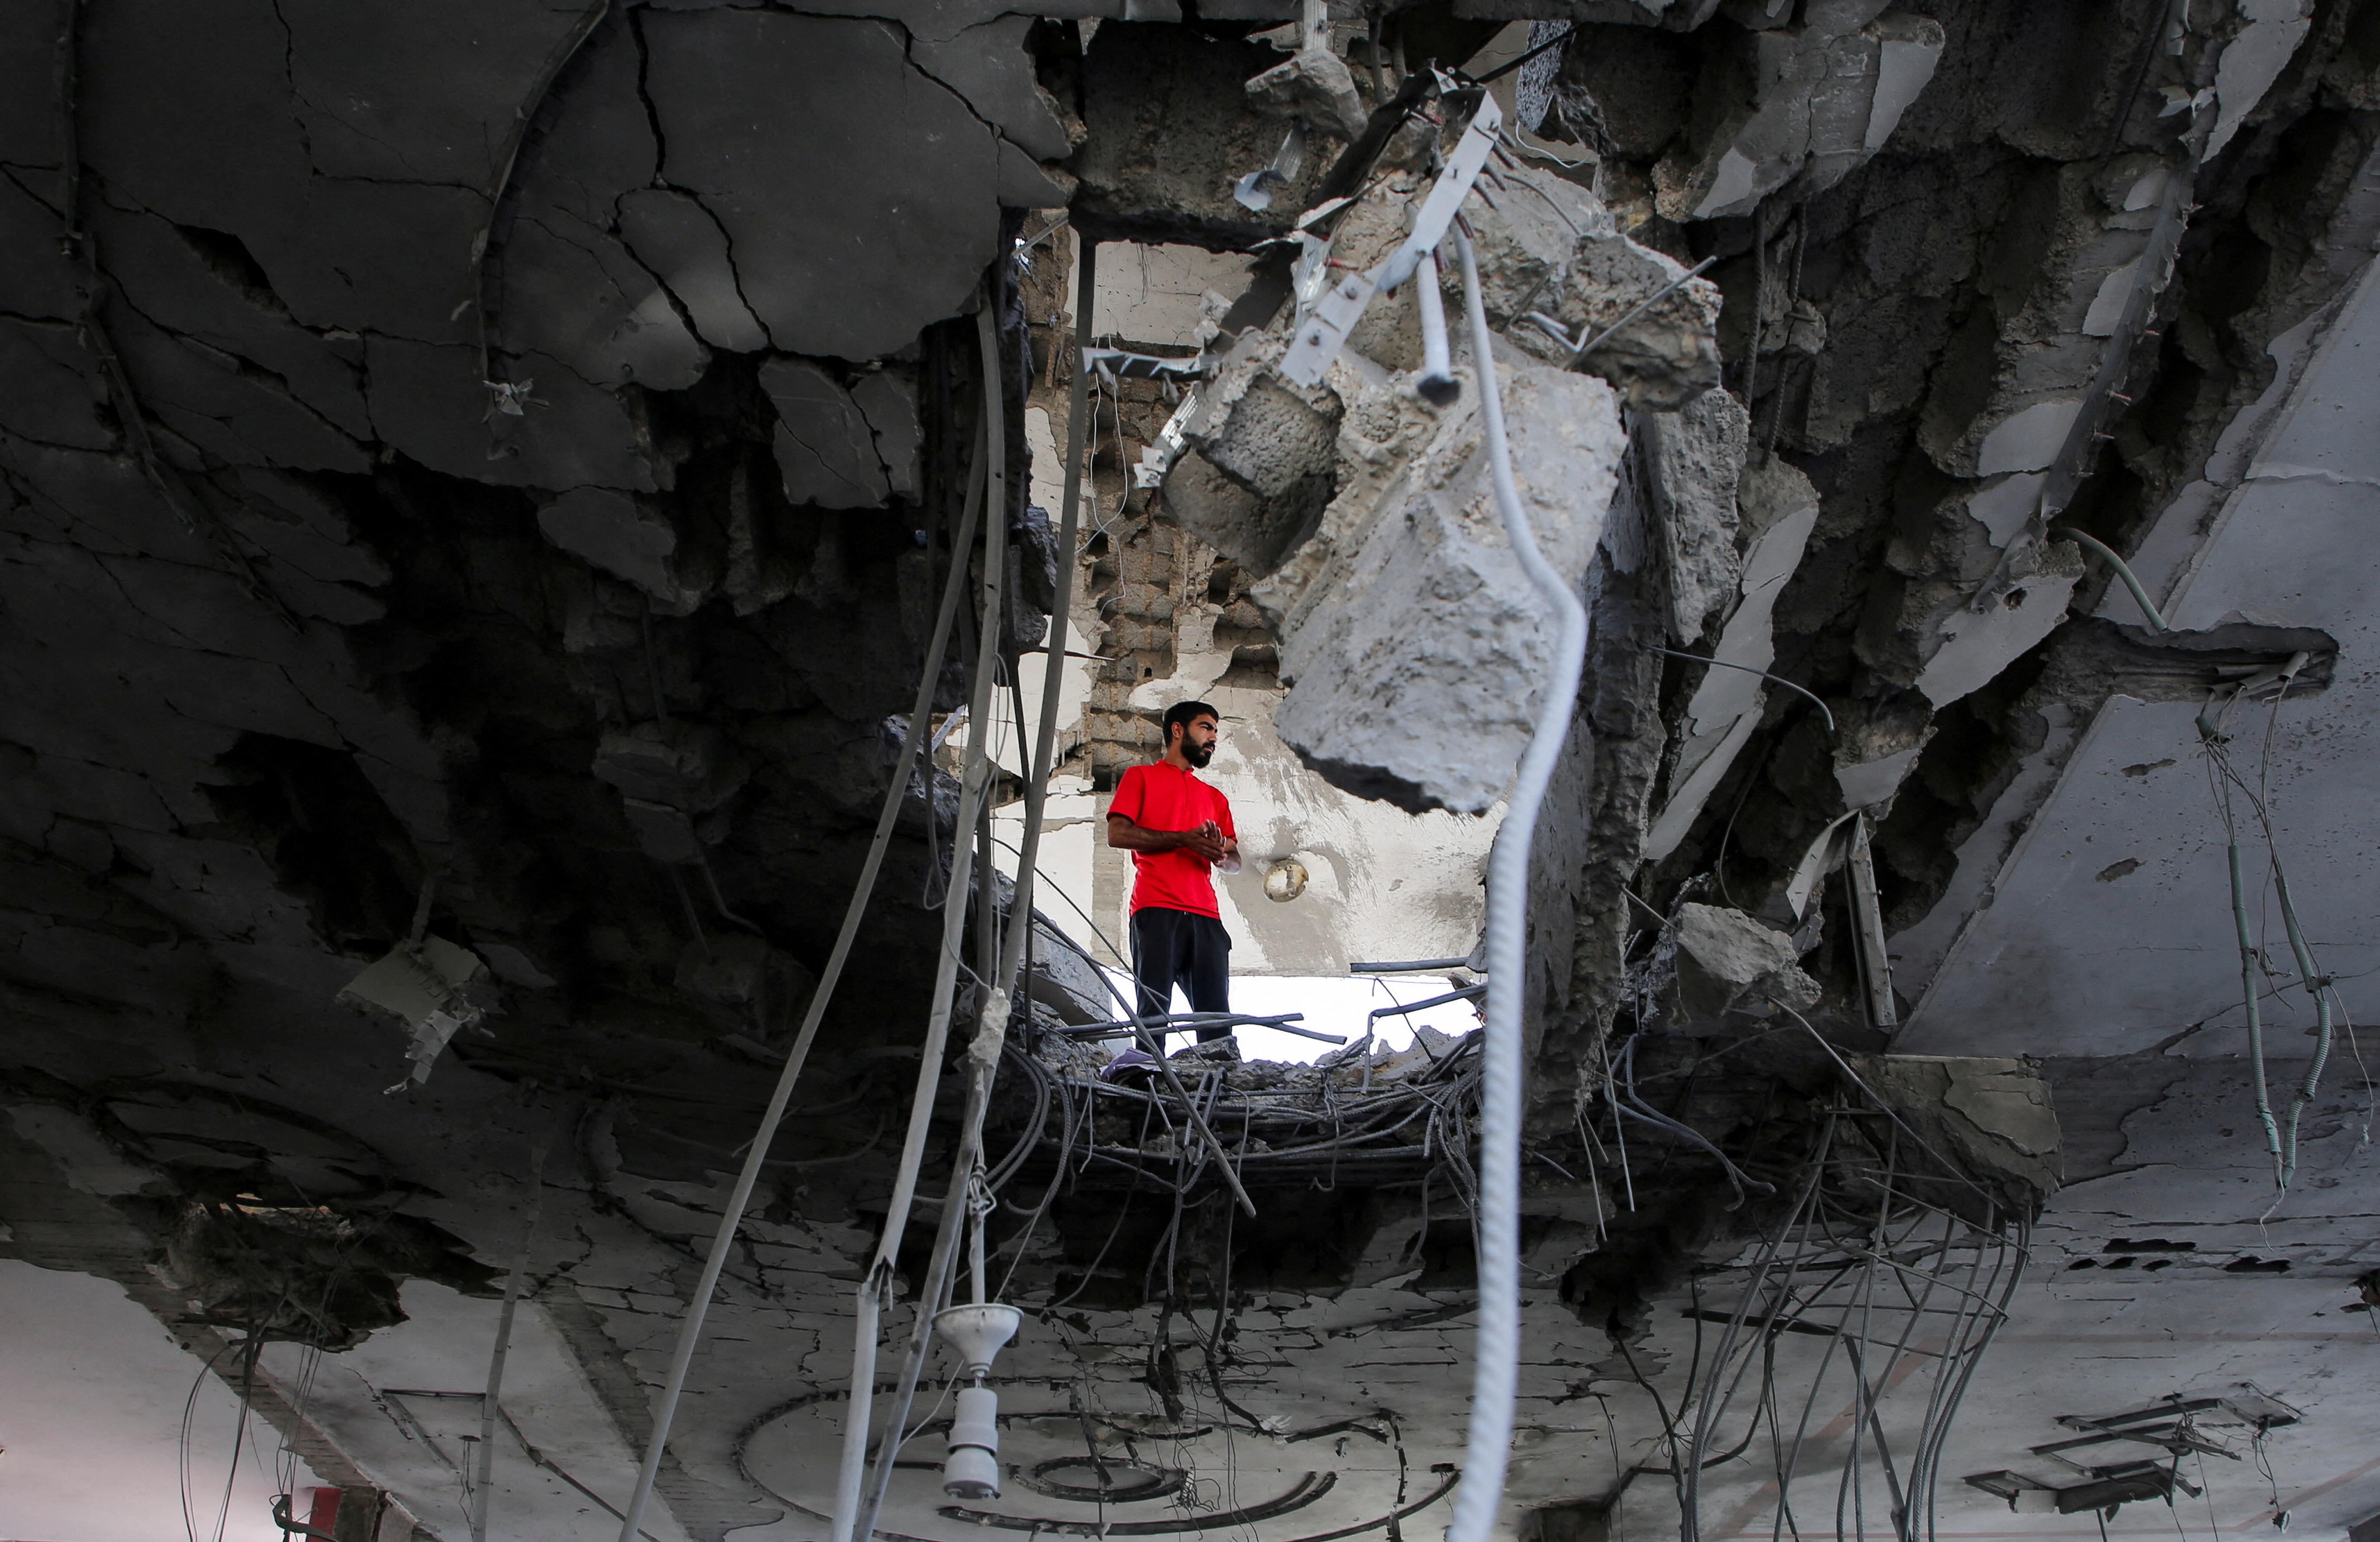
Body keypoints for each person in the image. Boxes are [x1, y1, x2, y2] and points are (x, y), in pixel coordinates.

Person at [1107, 700, 1241, 1048]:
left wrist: (1218, 854)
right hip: (1155, 907)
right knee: (1153, 1012)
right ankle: (1148, 1082)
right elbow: (1117, 834)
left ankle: (1222, 1084)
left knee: (1217, 1019)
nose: (1213, 737)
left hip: (1206, 915)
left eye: (1215, 731)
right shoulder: (1140, 777)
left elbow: (1234, 860)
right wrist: (1184, 840)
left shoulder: (1215, 797)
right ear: (1178, 730)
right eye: (1206, 727)